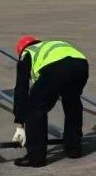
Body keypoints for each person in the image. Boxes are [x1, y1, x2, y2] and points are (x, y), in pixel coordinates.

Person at [9, 36, 89, 167]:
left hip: (56, 69)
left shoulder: (27, 53)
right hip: (80, 65)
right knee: (72, 103)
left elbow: (21, 89)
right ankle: (73, 149)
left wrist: (20, 122)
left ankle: (36, 158)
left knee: (34, 109)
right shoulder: (50, 45)